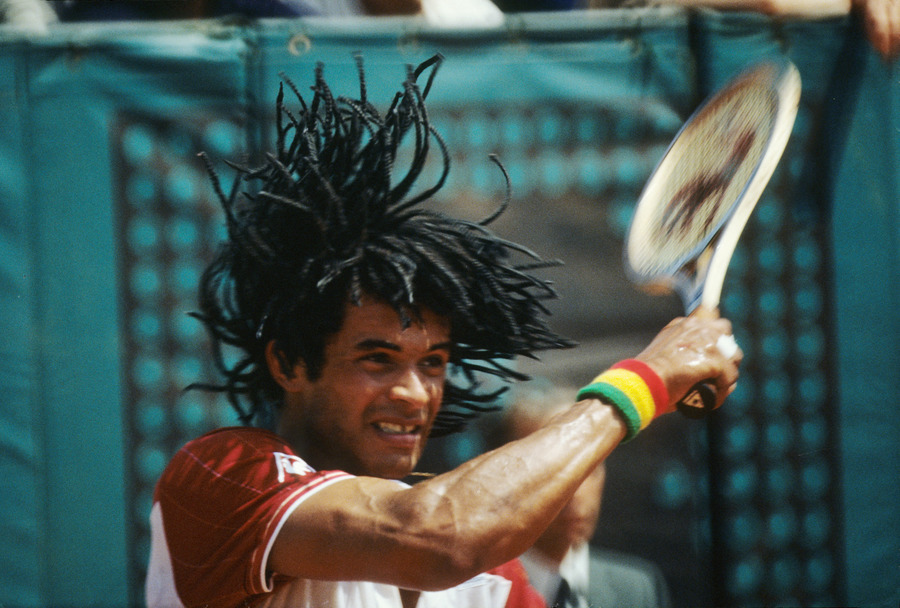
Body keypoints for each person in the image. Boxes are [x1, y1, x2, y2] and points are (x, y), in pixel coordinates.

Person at [144, 53, 742, 608]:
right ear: (289, 363)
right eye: (376, 359)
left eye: (432, 362)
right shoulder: (223, 477)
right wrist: (645, 383)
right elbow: (440, 537)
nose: (413, 392)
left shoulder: (494, 578)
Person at [497, 380, 672, 608]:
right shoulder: (478, 593)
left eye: (591, 467)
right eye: (551, 471)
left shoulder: (636, 589)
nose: (576, 492)